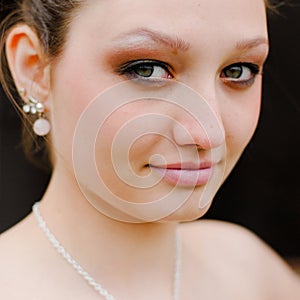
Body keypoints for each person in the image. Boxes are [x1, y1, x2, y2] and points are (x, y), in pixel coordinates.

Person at [0, 0, 299, 299]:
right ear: (34, 69)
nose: (210, 133)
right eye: (148, 69)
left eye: (237, 71)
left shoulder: (249, 273)